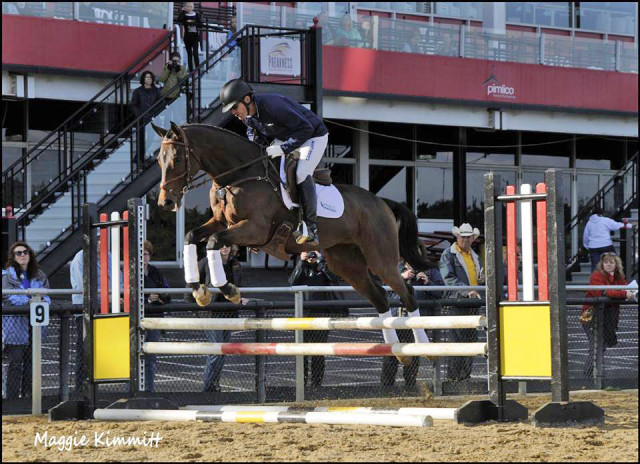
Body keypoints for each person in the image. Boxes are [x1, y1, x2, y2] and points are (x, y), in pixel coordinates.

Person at [219, 78, 329, 246]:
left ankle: (311, 228)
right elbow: (253, 132)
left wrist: (284, 148)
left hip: (313, 136)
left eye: (234, 107)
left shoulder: (273, 106)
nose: (233, 112)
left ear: (247, 100)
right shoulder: (248, 117)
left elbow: (305, 129)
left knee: (301, 173)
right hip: (287, 137)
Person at [186, 245, 243, 392]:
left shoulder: (235, 264)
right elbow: (191, 287)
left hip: (230, 312)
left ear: (232, 248)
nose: (224, 248)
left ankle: (214, 384)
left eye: (227, 245)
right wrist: (196, 308)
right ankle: (208, 386)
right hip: (211, 312)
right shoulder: (205, 262)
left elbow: (238, 286)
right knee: (216, 351)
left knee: (222, 352)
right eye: (220, 245)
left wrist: (241, 299)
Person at [381, 261, 444, 388]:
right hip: (397, 319)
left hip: (417, 320)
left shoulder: (430, 270)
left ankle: (410, 385)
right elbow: (383, 289)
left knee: (414, 355)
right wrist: (401, 278)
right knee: (392, 354)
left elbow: (440, 291)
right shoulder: (394, 267)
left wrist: (427, 282)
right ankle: (386, 387)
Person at [289, 251, 346, 387]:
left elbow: (334, 278)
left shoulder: (324, 266)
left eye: (313, 254)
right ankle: (301, 384)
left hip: (321, 313)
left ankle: (317, 384)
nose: (311, 257)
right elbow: (292, 281)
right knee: (301, 352)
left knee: (318, 352)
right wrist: (301, 262)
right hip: (302, 313)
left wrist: (321, 261)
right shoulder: (303, 267)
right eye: (308, 254)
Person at [69, 235, 117, 393]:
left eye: (103, 240)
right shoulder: (80, 259)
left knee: (100, 349)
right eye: (97, 240)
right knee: (84, 350)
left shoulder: (108, 256)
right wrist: (108, 296)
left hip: (105, 307)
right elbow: (82, 285)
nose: (100, 243)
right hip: (85, 310)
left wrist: (118, 295)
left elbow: (117, 278)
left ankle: (96, 388)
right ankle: (79, 389)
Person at [2, 242, 50, 399]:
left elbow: (47, 295)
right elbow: (7, 297)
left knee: (32, 364)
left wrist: (40, 302)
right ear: (13, 257)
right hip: (16, 326)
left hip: (35, 326)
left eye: (25, 252)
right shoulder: (7, 276)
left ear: (30, 254)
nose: (22, 255)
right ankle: (12, 398)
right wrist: (29, 302)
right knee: (15, 363)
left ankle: (30, 397)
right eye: (18, 253)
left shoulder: (39, 274)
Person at [439, 223, 483, 382]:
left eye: (468, 237)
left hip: (472, 303)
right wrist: (467, 291)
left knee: (470, 340)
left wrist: (479, 283)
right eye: (463, 237)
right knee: (457, 341)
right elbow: (448, 278)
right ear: (457, 237)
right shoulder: (448, 254)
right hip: (457, 303)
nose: (465, 239)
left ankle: (464, 376)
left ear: (472, 238)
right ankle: (454, 377)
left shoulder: (474, 256)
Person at [579, 252, 633, 378]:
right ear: (602, 264)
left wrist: (628, 292)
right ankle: (588, 376)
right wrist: (624, 294)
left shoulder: (619, 277)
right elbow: (602, 293)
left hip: (608, 317)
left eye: (611, 262)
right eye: (606, 262)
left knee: (601, 345)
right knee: (596, 345)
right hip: (592, 317)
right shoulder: (597, 276)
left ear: (616, 264)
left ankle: (594, 375)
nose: (608, 264)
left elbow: (623, 289)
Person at [142, 240, 171, 393]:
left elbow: (168, 293)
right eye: (141, 255)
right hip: (138, 319)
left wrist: (159, 297)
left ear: (150, 256)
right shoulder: (130, 272)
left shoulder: (156, 272)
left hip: (155, 318)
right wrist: (147, 299)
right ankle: (134, 390)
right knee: (135, 357)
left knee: (151, 358)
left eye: (146, 254)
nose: (143, 258)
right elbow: (125, 296)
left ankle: (150, 390)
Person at [583, 207, 634, 272]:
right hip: (606, 245)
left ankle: (595, 281)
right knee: (615, 262)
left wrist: (586, 246)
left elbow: (585, 236)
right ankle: (615, 279)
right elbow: (617, 225)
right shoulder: (605, 220)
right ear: (601, 214)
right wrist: (629, 225)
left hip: (593, 246)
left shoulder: (589, 223)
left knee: (595, 267)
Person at [131, 70, 162, 164]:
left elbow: (162, 103)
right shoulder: (138, 91)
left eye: (150, 77)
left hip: (153, 118)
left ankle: (141, 154)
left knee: (151, 136)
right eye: (146, 77)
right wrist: (139, 114)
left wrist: (154, 112)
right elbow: (133, 105)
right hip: (141, 119)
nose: (148, 79)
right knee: (141, 138)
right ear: (143, 79)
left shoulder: (156, 90)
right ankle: (139, 157)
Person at [177, 2, 204, 72]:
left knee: (195, 53)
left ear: (193, 7)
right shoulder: (184, 15)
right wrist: (183, 11)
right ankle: (191, 69)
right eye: (188, 6)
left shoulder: (196, 15)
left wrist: (192, 22)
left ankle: (198, 68)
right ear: (185, 7)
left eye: (191, 6)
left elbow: (201, 24)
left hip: (195, 36)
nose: (189, 8)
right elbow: (179, 20)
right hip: (187, 37)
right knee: (189, 54)